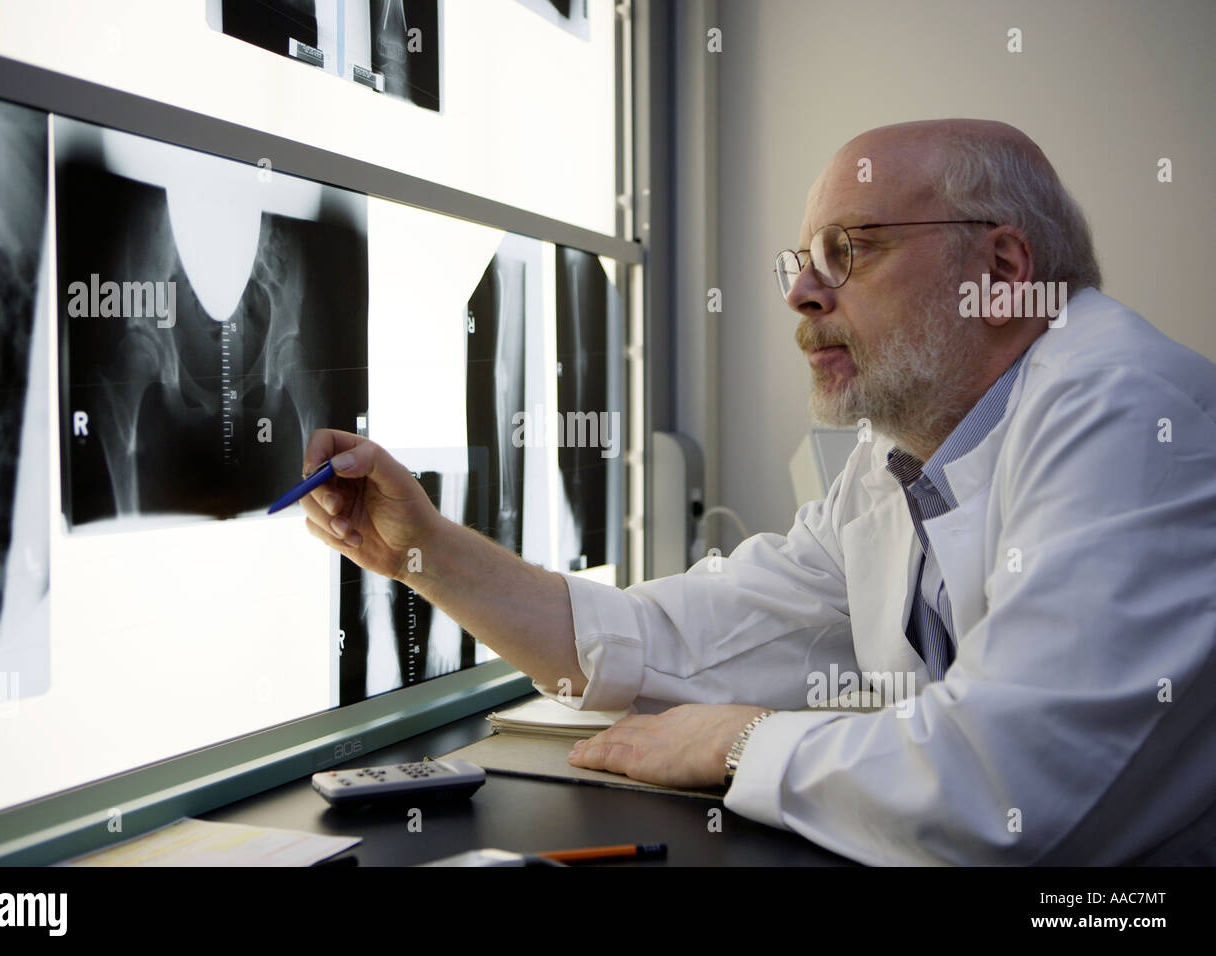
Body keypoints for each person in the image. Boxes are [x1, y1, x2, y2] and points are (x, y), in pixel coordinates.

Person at [300, 119, 1216, 865]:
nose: (802, 295)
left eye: (848, 251)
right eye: (800, 262)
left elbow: (1015, 784)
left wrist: (742, 741)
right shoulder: (890, 462)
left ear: (1004, 272)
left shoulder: (1127, 408)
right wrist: (422, 552)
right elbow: (682, 639)